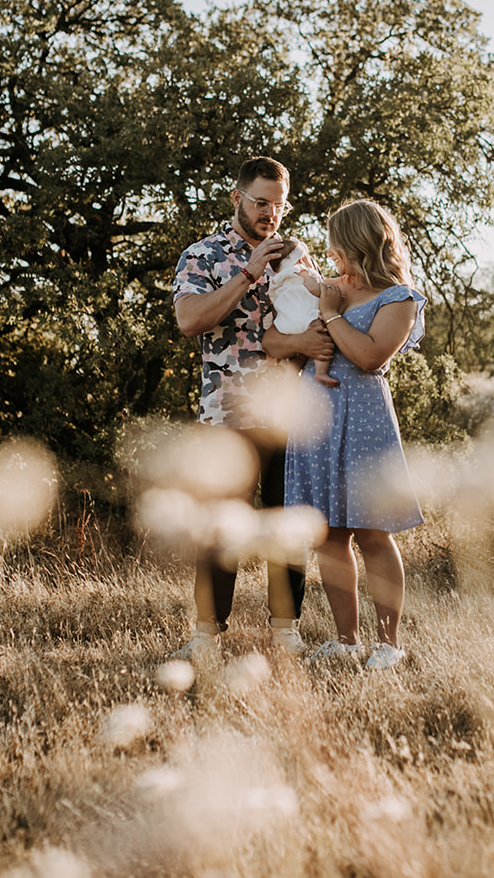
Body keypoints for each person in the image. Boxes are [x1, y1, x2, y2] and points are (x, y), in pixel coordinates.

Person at [170, 157, 334, 658]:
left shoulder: (297, 257)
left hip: (290, 413)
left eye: (280, 205)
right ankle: (206, 637)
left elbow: (322, 315)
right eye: (262, 202)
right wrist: (248, 271)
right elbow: (190, 320)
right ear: (237, 198)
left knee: (289, 521)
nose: (271, 214)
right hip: (228, 413)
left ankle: (286, 631)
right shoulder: (203, 255)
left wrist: (312, 335)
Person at [278, 199, 427, 671]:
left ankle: (388, 644)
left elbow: (368, 357)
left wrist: (332, 313)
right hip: (318, 415)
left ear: (358, 242)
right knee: (329, 535)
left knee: (373, 533)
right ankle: (346, 640)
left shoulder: (398, 298)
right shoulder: (335, 287)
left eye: (337, 244)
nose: (331, 253)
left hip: (363, 418)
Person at [267, 238, 339, 388]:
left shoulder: (278, 278)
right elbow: (313, 287)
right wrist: (329, 293)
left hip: (285, 323)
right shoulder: (300, 270)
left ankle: (291, 377)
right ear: (299, 258)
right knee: (321, 337)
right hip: (306, 317)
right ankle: (321, 372)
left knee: (299, 355)